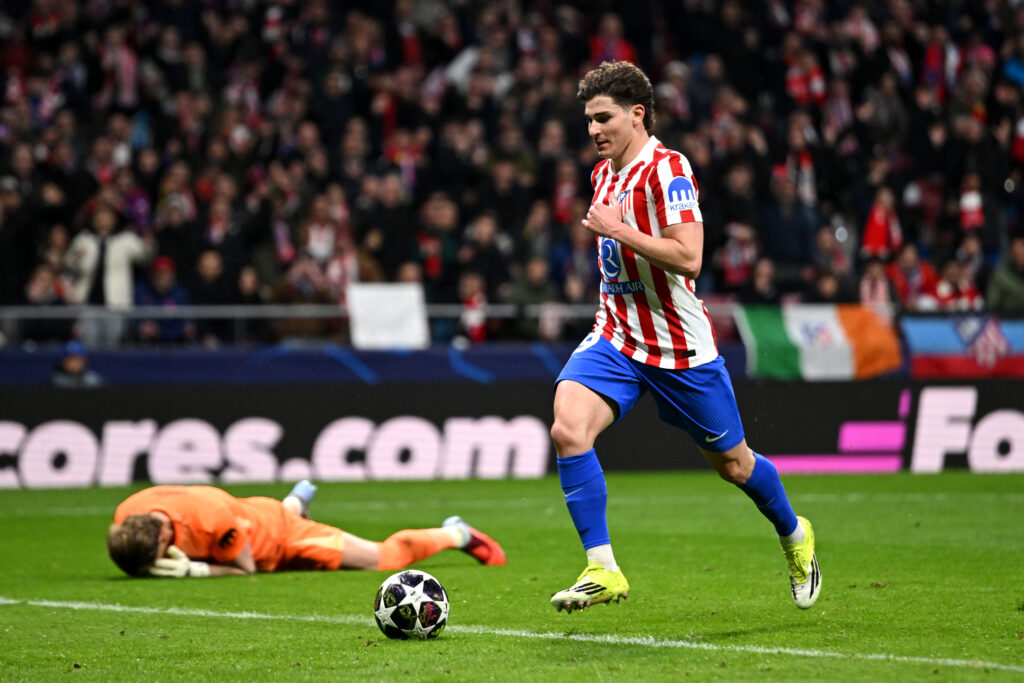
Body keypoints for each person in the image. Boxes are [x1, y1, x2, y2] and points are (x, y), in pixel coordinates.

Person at [548, 61, 820, 614]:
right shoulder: (603, 174)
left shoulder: (669, 169)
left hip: (678, 347)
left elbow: (689, 256)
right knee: (567, 427)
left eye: (604, 118)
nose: (594, 130)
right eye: (588, 121)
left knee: (735, 466)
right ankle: (603, 568)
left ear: (637, 114)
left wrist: (619, 230)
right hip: (618, 336)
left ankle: (796, 534)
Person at [107, 481, 505, 578]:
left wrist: (196, 569)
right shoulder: (128, 511)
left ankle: (458, 534)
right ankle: (296, 499)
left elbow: (247, 569)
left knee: (381, 558)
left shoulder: (211, 519)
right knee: (276, 514)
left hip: (278, 537)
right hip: (252, 513)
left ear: (163, 538)